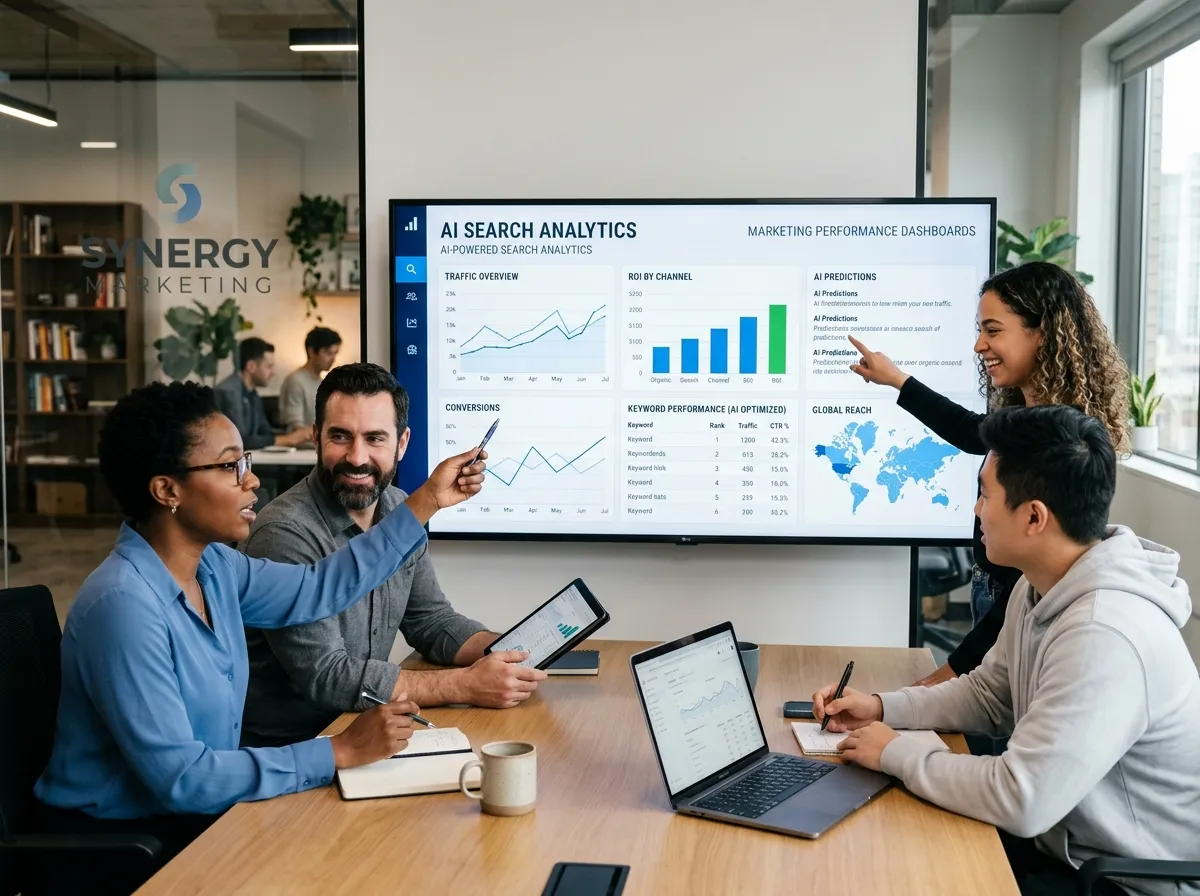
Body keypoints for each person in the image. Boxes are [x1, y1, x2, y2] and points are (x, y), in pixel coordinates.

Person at [32, 380, 488, 893]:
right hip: (128, 849)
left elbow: (321, 587)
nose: (252, 483)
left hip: (203, 816)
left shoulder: (216, 568)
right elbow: (184, 779)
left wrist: (425, 502)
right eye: (230, 467)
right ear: (167, 490)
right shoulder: (122, 606)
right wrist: (337, 752)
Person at [812, 406, 1200, 896]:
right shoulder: (1041, 585)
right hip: (1063, 843)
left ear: (1034, 517)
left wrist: (895, 752)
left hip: (1121, 881)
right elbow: (991, 696)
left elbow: (1022, 798)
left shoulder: (1106, 632)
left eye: (985, 495)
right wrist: (883, 707)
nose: (975, 509)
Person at [848, 261, 1130, 686]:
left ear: (1042, 333)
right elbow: (971, 431)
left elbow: (1019, 597)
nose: (980, 345)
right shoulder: (1027, 416)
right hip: (991, 593)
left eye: (993, 330)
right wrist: (897, 380)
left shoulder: (1063, 440)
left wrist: (944, 677)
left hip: (1007, 606)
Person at [240, 363, 546, 747]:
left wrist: (510, 654)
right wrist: (465, 685)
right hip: (294, 751)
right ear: (315, 437)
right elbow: (328, 677)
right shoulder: (284, 533)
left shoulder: (398, 506)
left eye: (374, 439)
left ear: (401, 443)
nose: (356, 457)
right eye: (340, 436)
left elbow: (431, 622)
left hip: (367, 732)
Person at [213, 337, 309, 451]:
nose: (273, 373)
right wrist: (288, 439)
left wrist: (298, 435)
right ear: (251, 366)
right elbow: (240, 439)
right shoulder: (229, 392)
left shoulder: (252, 393)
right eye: (269, 366)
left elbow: (265, 433)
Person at [279, 326, 342, 433]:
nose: (333, 359)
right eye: (328, 353)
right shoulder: (295, 381)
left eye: (335, 353)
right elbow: (295, 428)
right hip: (303, 447)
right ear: (312, 351)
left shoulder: (322, 382)